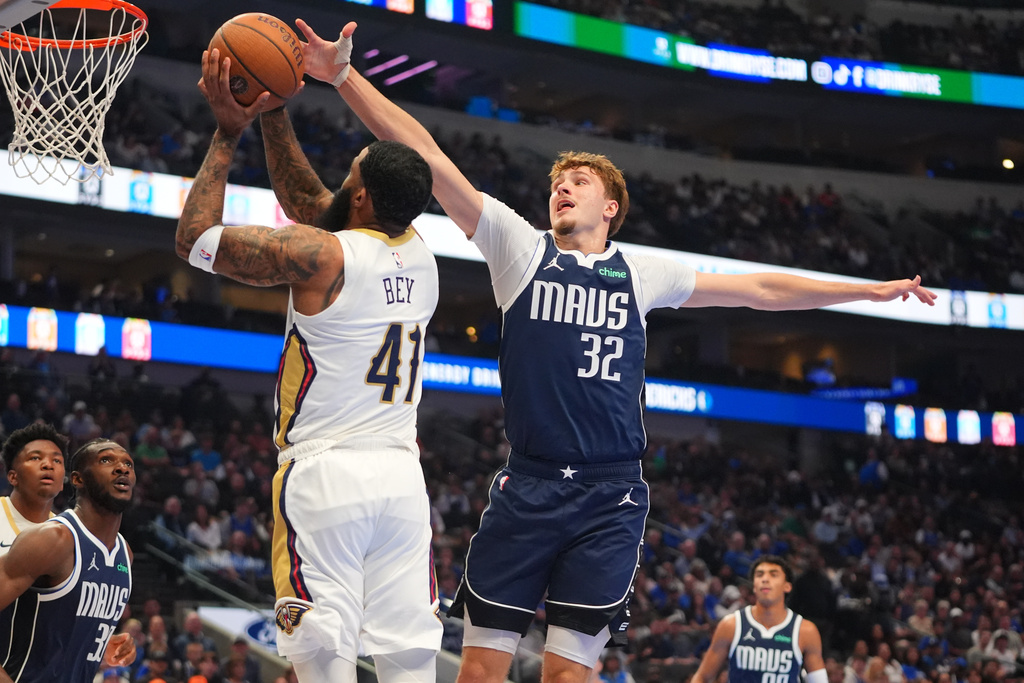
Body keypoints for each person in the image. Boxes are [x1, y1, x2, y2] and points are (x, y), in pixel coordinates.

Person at [288, 17, 938, 683]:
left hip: (611, 496)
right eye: (557, 181)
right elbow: (427, 155)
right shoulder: (519, 247)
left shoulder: (642, 273)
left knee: (570, 675)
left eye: (578, 181)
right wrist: (343, 78)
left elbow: (762, 288)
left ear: (611, 208)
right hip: (530, 484)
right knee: (480, 670)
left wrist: (865, 290)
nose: (561, 186)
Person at [175, 47, 441, 683]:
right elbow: (313, 204)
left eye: (351, 171)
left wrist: (228, 129)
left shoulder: (325, 257)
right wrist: (275, 109)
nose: (343, 178)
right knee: (409, 659)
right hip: (403, 484)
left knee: (320, 661)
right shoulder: (422, 255)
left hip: (327, 476)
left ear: (362, 194)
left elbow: (196, 240)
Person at [0, 438, 136, 682]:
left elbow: (59, 632)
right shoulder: (53, 539)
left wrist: (102, 644)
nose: (122, 468)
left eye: (128, 464)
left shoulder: (124, 553)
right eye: (106, 460)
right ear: (77, 479)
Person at [690, 556, 826, 683]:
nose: (765, 579)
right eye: (760, 575)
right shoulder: (731, 625)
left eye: (773, 575)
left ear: (787, 586)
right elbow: (702, 676)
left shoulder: (805, 631)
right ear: (754, 586)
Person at [0, 423, 67, 554]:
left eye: (57, 460)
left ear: (62, 483)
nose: (48, 465)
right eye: (35, 458)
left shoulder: (67, 534)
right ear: (13, 477)